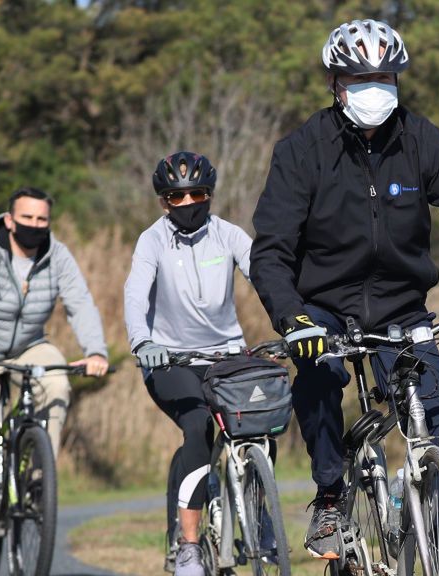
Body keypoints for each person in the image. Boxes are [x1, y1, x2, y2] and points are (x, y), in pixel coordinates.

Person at [250, 19, 439, 560]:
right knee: (319, 372)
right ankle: (330, 495)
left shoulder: (423, 141)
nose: (374, 88)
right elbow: (271, 250)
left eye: (385, 76)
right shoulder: (303, 149)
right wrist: (293, 318)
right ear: (336, 83)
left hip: (403, 310)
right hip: (324, 309)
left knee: (438, 434)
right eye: (360, 78)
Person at [0, 187, 110, 564]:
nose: (35, 226)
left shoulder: (57, 255)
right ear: (11, 220)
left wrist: (96, 351)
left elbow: (80, 303)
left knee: (57, 381)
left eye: (42, 220)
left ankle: (37, 474)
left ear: (48, 222)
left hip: (31, 346)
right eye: (28, 219)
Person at [124, 151, 253, 576]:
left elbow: (265, 275)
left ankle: (259, 520)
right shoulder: (152, 240)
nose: (188, 204)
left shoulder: (229, 235)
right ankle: (189, 546)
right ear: (164, 201)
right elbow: (135, 292)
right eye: (176, 197)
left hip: (227, 354)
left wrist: (293, 321)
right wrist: (142, 340)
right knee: (196, 426)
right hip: (168, 358)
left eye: (197, 194)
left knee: (258, 423)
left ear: (210, 195)